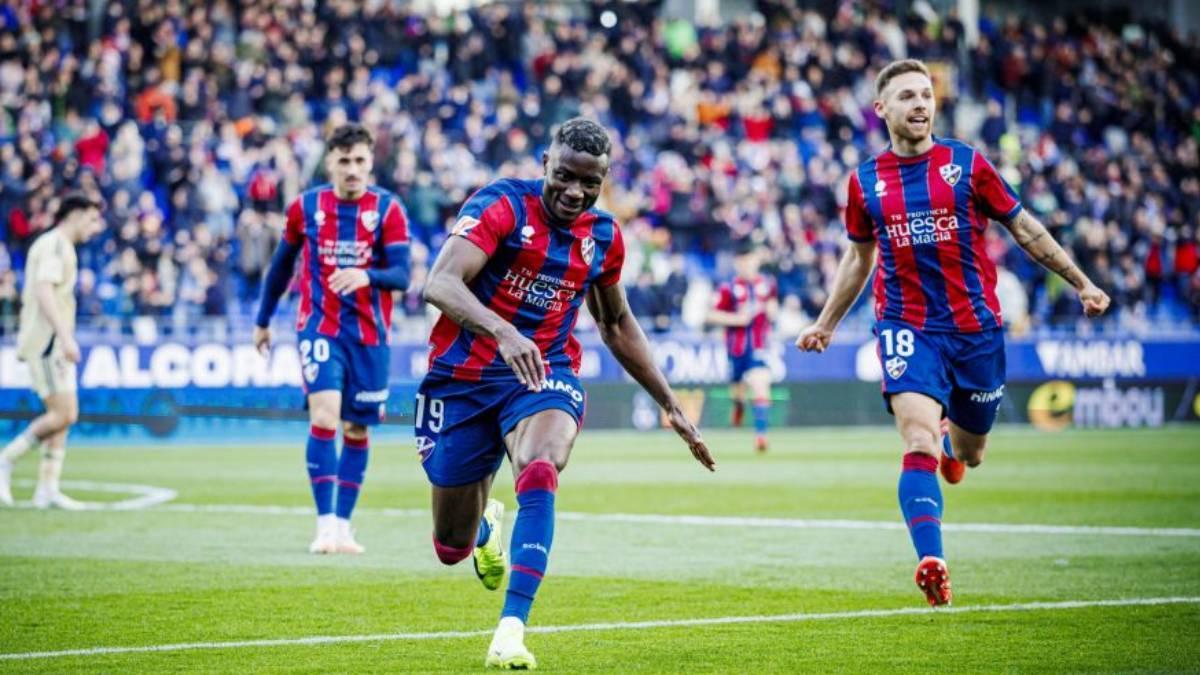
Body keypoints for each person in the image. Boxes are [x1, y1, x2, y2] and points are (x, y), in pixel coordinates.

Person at [796, 60, 1111, 607]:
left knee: (972, 452)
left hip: (976, 331)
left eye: (926, 95)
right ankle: (931, 560)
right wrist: (826, 323)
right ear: (882, 109)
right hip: (906, 326)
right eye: (907, 97)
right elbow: (858, 258)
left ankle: (953, 445)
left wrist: (1081, 281)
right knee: (915, 437)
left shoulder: (965, 164)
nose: (920, 104)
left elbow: (1024, 227)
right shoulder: (865, 181)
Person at [418, 117, 715, 669]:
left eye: (590, 183)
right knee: (450, 546)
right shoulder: (502, 205)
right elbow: (439, 282)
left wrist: (669, 402)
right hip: (462, 379)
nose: (575, 192)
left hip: (542, 371)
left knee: (541, 465)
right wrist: (504, 332)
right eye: (564, 177)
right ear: (545, 164)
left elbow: (617, 322)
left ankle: (511, 629)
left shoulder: (602, 237)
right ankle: (484, 525)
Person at [254, 124, 411, 554]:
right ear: (329, 163)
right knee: (325, 417)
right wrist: (263, 319)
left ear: (370, 163)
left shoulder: (388, 210)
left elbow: (402, 275)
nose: (353, 170)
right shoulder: (305, 209)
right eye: (344, 161)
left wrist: (367, 275)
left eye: (360, 161)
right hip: (319, 326)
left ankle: (343, 526)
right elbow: (282, 267)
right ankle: (324, 525)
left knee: (357, 428)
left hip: (370, 335)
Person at [0, 193, 104, 509]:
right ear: (74, 215)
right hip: (47, 342)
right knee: (63, 413)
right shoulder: (55, 245)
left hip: (54, 342)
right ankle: (6, 459)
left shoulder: (60, 246)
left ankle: (47, 488)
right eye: (91, 218)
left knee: (64, 416)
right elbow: (44, 289)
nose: (95, 226)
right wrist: (64, 336)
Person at [706, 242, 778, 452]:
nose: (747, 265)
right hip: (735, 349)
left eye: (750, 260)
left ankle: (761, 436)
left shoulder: (767, 283)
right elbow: (710, 315)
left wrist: (772, 313)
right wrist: (738, 318)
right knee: (738, 392)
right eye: (743, 261)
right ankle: (738, 405)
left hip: (758, 346)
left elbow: (772, 306)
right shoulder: (728, 287)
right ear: (737, 263)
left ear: (756, 260)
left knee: (760, 384)